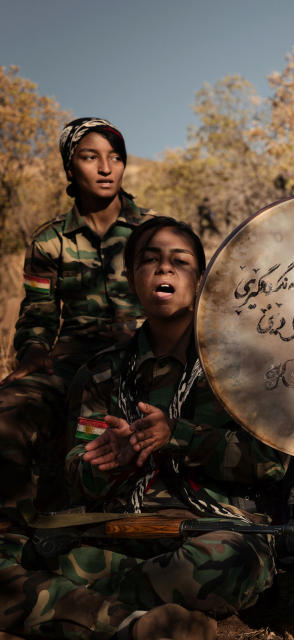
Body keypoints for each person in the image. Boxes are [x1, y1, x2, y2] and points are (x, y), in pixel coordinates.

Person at [0, 217, 289, 639]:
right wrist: (106, 464)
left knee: (225, 563)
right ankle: (133, 625)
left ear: (202, 278)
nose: (164, 269)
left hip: (210, 532)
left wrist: (178, 436)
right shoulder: (102, 372)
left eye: (180, 261)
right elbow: (78, 471)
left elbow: (272, 464)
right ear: (131, 280)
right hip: (115, 530)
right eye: (149, 260)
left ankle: (73, 609)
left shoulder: (242, 367)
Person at [0, 117, 154, 518]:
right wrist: (33, 352)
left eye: (115, 157)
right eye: (91, 157)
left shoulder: (152, 230)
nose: (106, 168)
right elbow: (37, 310)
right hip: (71, 359)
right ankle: (15, 535)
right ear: (71, 168)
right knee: (8, 412)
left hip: (143, 356)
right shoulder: (50, 239)